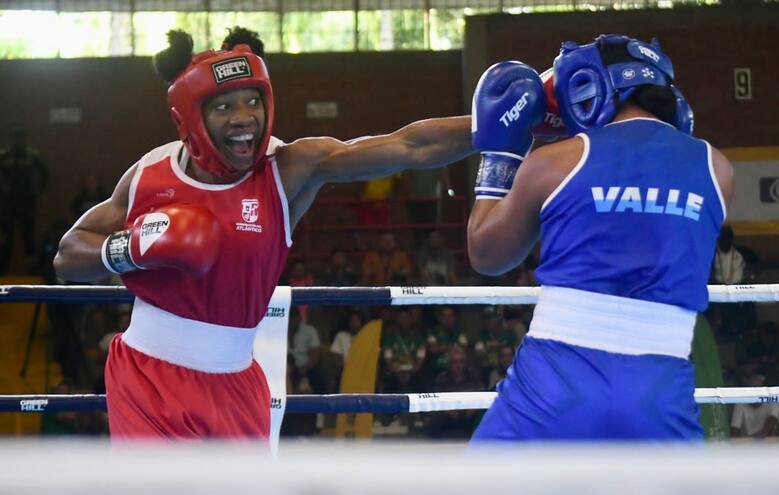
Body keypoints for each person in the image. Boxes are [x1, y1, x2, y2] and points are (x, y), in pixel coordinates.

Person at [52, 28, 473, 441]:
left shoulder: (287, 168)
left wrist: (493, 126)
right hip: (145, 376)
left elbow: (409, 146)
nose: (243, 118)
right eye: (223, 107)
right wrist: (130, 248)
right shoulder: (149, 175)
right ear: (190, 117)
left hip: (235, 380)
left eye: (253, 101)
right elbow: (67, 257)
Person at [467, 34, 733, 441]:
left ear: (585, 87)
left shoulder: (554, 163)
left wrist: (499, 156)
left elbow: (487, 255)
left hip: (553, 382)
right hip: (661, 389)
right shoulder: (718, 170)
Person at [0, 127, 49, 273]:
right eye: (15, 139)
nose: (18, 142)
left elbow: (45, 174)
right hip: (7, 203)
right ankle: (3, 271)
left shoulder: (31, 155)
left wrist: (39, 190)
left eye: (21, 139)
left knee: (29, 236)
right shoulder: (3, 155)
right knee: (6, 237)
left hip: (27, 201)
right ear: (11, 140)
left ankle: (32, 272)